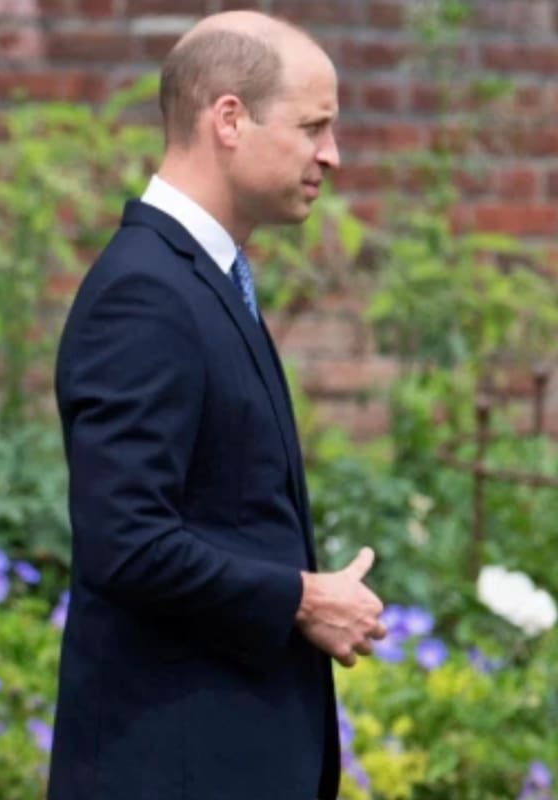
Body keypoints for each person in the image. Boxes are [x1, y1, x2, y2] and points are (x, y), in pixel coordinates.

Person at [47, 11, 386, 800]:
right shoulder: (146, 293)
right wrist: (301, 597)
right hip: (172, 767)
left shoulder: (200, 278)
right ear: (229, 119)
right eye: (313, 127)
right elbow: (125, 541)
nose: (332, 155)